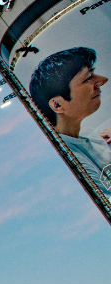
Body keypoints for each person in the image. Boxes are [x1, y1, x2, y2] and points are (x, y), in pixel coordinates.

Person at [29, 47, 111, 194]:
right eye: (88, 78)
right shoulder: (74, 165)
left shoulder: (87, 136)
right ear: (58, 105)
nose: (102, 80)